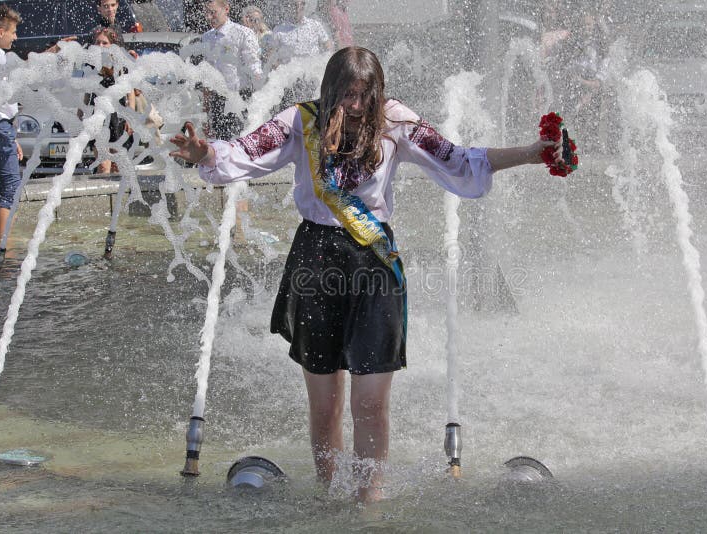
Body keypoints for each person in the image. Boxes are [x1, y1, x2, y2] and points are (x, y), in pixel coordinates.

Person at [170, 46, 564, 503]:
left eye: (364, 95)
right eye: (346, 95)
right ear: (330, 90)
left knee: (371, 403)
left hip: (374, 264)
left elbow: (458, 160)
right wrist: (203, 153)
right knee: (326, 406)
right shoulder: (302, 121)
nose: (355, 106)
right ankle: (328, 497)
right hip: (315, 263)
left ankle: (367, 503)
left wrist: (532, 153)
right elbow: (243, 151)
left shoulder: (396, 121)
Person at [200, 0, 263, 140]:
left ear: (226, 9)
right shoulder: (207, 37)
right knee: (219, 145)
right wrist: (205, 110)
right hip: (217, 100)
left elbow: (254, 65)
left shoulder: (242, 33)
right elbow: (207, 73)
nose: (209, 17)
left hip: (239, 98)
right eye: (206, 13)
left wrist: (261, 97)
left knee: (237, 143)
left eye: (213, 13)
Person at [0, 4, 22, 252]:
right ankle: (5, 248)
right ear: (0, 32)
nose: (15, 37)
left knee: (3, 186)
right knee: (11, 185)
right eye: (12, 32)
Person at [84, 27, 136, 174]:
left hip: (117, 117)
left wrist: (131, 117)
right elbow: (87, 92)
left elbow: (130, 92)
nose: (100, 46)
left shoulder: (120, 64)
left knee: (119, 167)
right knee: (103, 166)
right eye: (98, 43)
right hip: (98, 116)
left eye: (104, 43)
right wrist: (80, 114)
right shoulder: (91, 65)